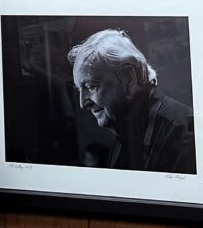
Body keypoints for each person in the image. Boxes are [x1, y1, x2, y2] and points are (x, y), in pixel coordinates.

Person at [68, 28, 195, 174]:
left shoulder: (183, 135)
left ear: (129, 79)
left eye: (91, 86)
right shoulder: (126, 131)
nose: (83, 104)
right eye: (79, 89)